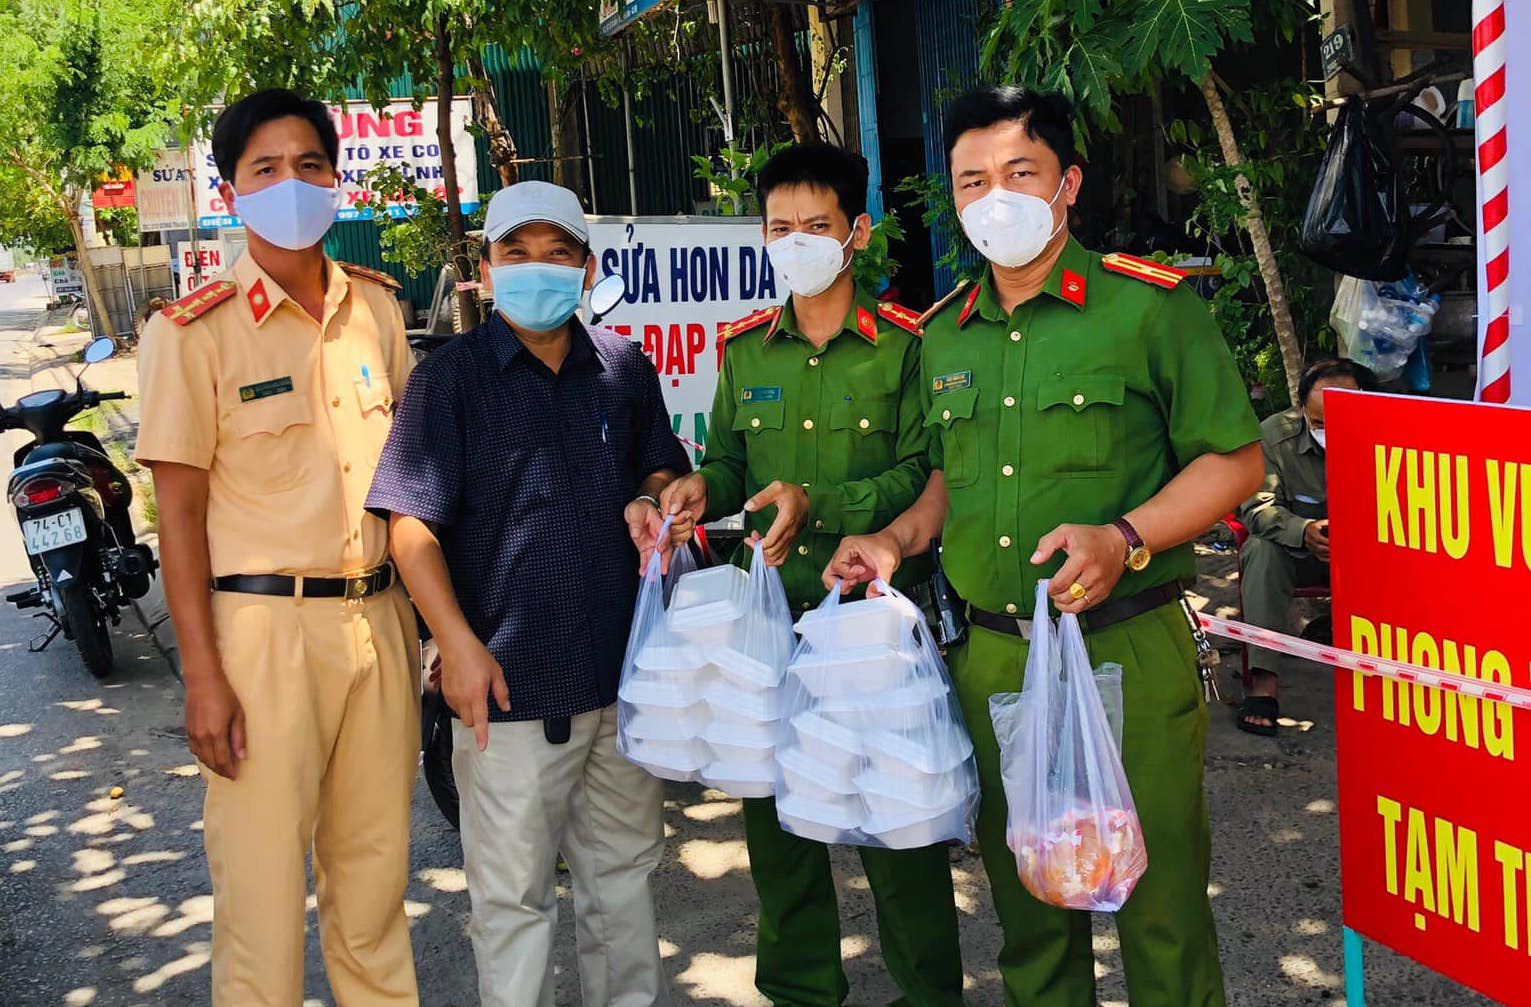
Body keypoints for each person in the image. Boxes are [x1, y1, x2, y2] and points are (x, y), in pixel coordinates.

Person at [823, 86, 1265, 1006]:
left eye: (1018, 173)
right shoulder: (942, 331)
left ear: (1066, 182)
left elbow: (1234, 462)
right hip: (994, 659)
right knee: (1030, 913)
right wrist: (892, 541)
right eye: (971, 180)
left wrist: (1125, 535)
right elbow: (947, 476)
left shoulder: (1148, 309)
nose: (995, 197)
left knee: (1161, 911)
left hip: (1127, 647)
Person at [367, 180, 690, 1007]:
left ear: (587, 269)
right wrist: (458, 646)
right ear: (486, 265)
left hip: (622, 683)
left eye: (558, 253)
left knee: (621, 887)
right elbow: (410, 527)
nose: (537, 269)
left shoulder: (620, 366)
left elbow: (659, 464)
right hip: (505, 693)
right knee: (511, 904)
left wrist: (653, 497)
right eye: (517, 252)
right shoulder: (451, 382)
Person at [135, 89, 421, 1005]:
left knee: (374, 891)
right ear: (231, 189)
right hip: (261, 638)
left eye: (310, 165)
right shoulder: (192, 332)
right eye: (266, 168)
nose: (291, 183)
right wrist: (203, 675)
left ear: (337, 180)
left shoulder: (375, 310)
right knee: (260, 906)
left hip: (377, 622)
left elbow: (412, 485)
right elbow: (176, 516)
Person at [661, 143, 964, 1007]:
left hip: (871, 622)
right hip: (766, 628)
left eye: (816, 226)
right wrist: (698, 486)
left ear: (856, 232)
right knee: (779, 833)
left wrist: (818, 500)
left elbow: (923, 470)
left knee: (895, 833)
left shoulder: (906, 346)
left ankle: (930, 994)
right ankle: (798, 990)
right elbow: (726, 463)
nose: (796, 242)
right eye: (779, 228)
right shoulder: (747, 350)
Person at [1235, 358, 1374, 734]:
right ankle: (1264, 681)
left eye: (1339, 422)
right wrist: (1304, 530)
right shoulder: (1274, 437)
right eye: (1319, 424)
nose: (1328, 432)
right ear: (1301, 410)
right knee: (1260, 551)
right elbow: (1256, 508)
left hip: (1375, 560)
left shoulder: (1393, 433)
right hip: (1303, 556)